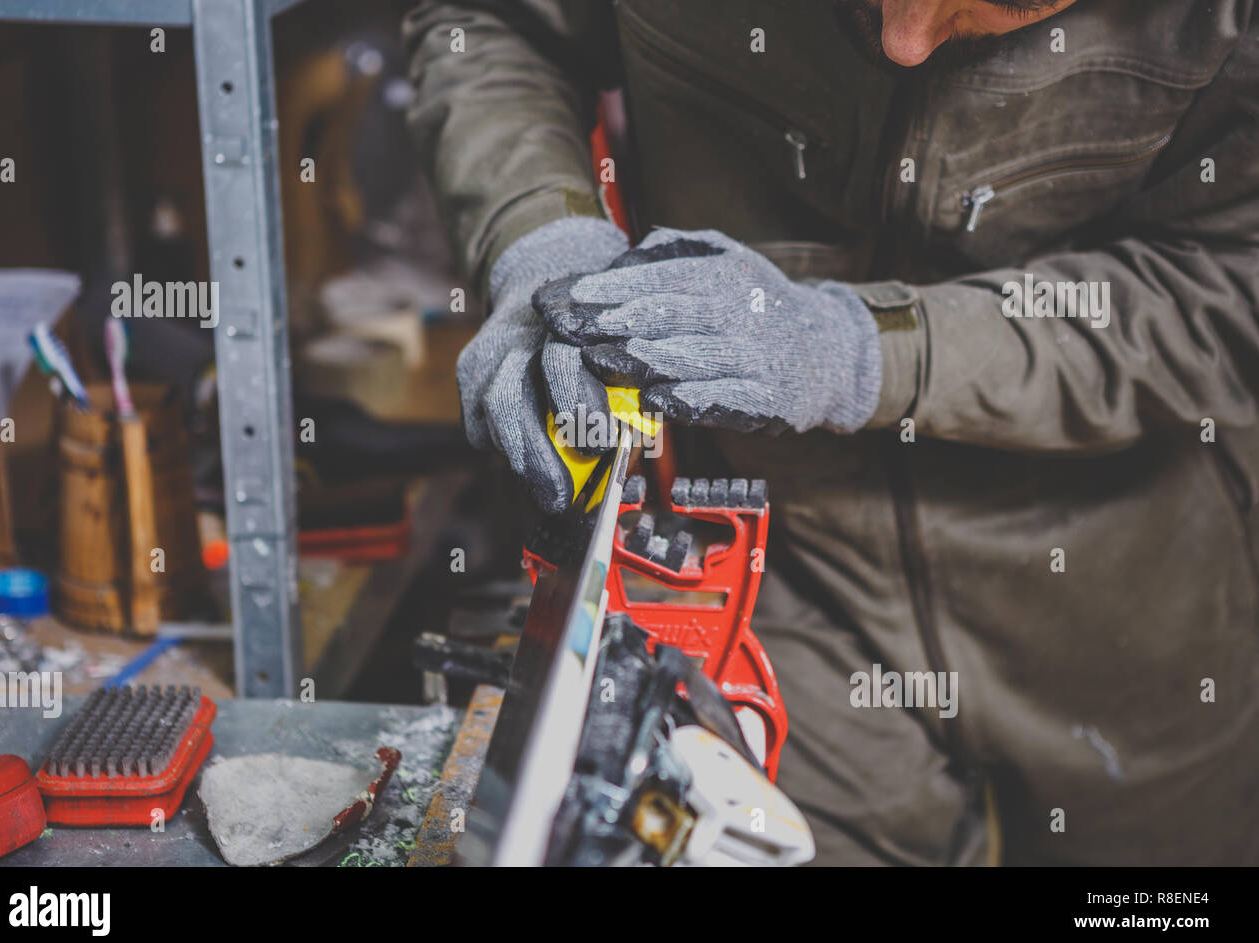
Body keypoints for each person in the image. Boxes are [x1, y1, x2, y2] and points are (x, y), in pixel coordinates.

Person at [404, 0, 1259, 864]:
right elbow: (487, 23)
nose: (902, 38)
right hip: (792, 581)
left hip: (1131, 583)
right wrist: (537, 239)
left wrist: (864, 352)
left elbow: (1231, 285)